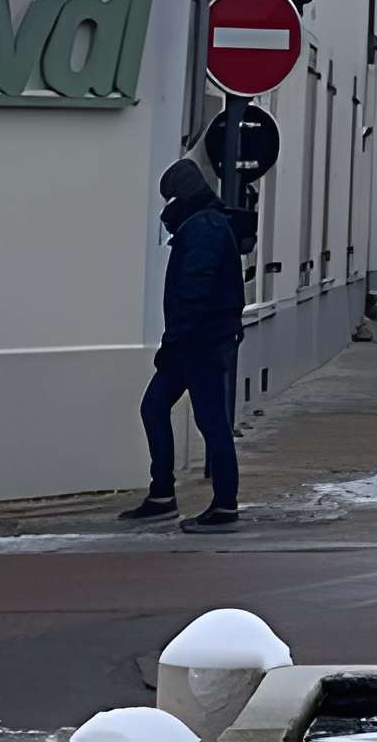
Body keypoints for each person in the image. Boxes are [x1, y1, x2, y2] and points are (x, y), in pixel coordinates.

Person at [120, 160, 245, 531]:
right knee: (156, 408)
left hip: (200, 343)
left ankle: (224, 506)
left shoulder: (203, 227)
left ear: (181, 196)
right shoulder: (203, 223)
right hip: (196, 341)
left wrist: (173, 342)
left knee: (210, 421)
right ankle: (162, 495)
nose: (165, 207)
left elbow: (194, 291)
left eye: (169, 198)